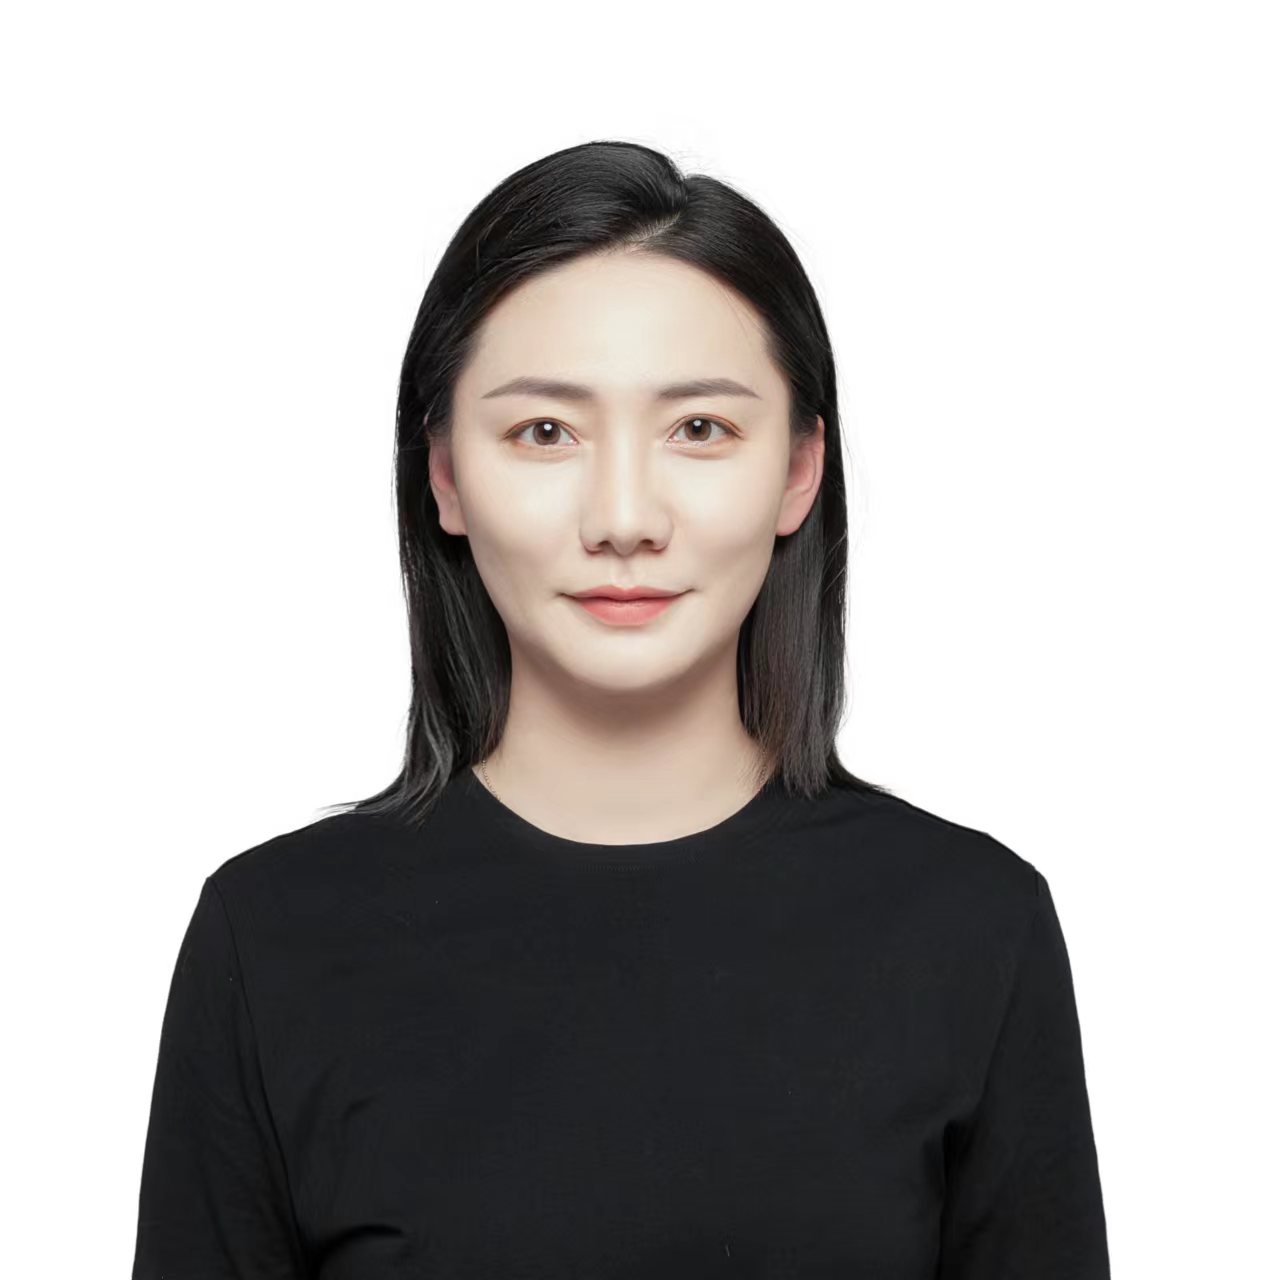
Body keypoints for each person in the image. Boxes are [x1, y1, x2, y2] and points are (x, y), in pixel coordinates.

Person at [131, 140, 1110, 1278]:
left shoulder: (971, 928)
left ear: (799, 470)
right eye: (544, 432)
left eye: (699, 429)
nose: (624, 517)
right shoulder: (271, 939)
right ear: (444, 475)